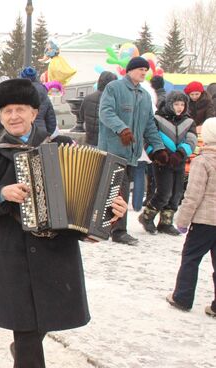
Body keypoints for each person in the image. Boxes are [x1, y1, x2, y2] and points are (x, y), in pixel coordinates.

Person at [0, 78, 127, 368]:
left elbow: (88, 197)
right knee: (27, 331)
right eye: (6, 111)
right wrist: (2, 193)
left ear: (34, 112)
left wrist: (111, 214)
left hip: (57, 256)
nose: (13, 116)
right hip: (16, 257)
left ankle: (23, 348)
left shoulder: (61, 146)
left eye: (19, 109)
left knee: (42, 322)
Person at [98, 56, 166, 245]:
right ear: (129, 70)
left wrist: (158, 148)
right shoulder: (114, 88)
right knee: (118, 190)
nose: (144, 72)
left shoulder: (144, 96)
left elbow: (150, 125)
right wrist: (123, 129)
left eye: (146, 69)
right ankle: (118, 231)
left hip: (131, 153)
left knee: (116, 190)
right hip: (112, 150)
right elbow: (106, 112)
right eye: (140, 69)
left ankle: (108, 227)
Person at [166, 117, 216, 317]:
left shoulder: (202, 161)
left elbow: (193, 195)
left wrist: (182, 221)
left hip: (204, 221)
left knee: (191, 258)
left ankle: (182, 297)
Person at [139, 91, 197, 235]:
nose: (179, 107)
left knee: (176, 193)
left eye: (182, 104)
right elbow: (149, 138)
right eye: (176, 104)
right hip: (162, 161)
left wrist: (181, 153)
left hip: (179, 160)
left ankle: (166, 222)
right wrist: (157, 153)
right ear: (170, 104)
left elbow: (191, 140)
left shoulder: (188, 121)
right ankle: (147, 216)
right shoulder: (157, 119)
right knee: (164, 192)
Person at [80, 71, 118, 146]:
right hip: (105, 143)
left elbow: (81, 117)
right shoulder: (113, 100)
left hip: (90, 141)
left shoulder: (87, 98)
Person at [19, 66, 57, 135]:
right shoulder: (43, 92)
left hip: (22, 131)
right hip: (40, 131)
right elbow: (51, 117)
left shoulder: (18, 91)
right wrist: (48, 133)